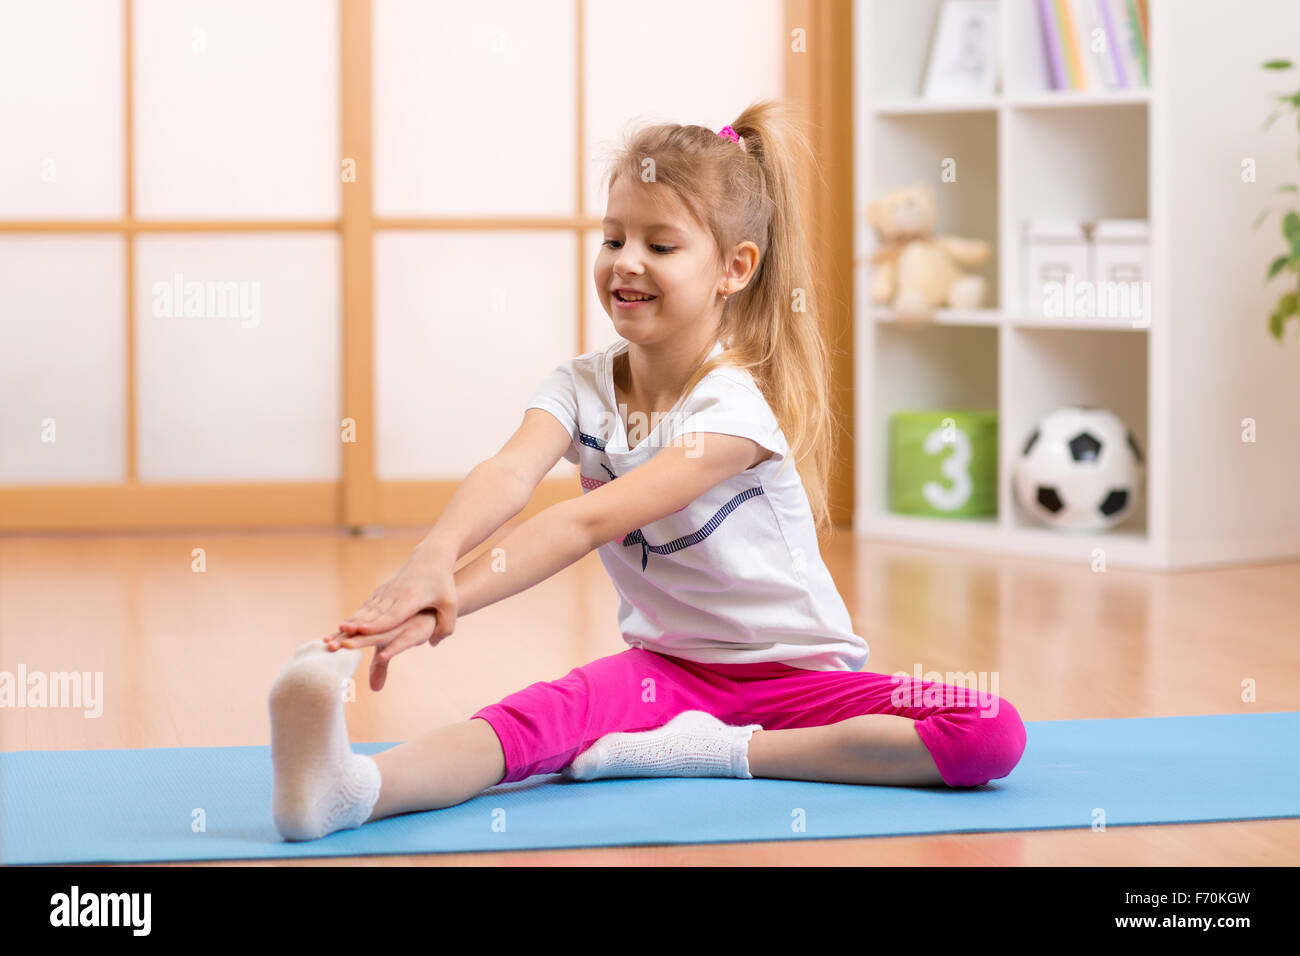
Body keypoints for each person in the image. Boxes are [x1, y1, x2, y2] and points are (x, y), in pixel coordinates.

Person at [268, 98, 1026, 842]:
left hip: (799, 682)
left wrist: (447, 601)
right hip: (665, 671)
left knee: (988, 727)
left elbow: (587, 519)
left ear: (735, 268)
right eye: (613, 238)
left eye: (660, 246)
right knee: (526, 725)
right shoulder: (580, 384)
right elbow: (507, 472)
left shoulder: (736, 408)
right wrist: (429, 566)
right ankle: (348, 791)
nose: (626, 262)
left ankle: (718, 754)